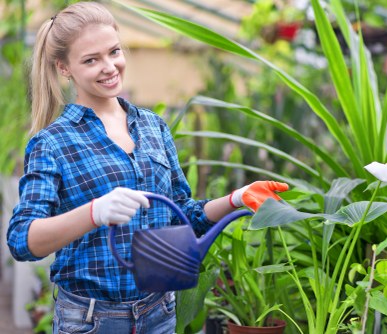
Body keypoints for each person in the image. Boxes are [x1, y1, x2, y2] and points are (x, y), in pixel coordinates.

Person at [6, 2, 288, 333]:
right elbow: (22, 240)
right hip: (92, 320)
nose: (109, 66)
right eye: (91, 60)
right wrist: (95, 212)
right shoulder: (52, 143)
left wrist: (236, 198)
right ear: (64, 68)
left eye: (114, 51)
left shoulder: (153, 127)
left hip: (159, 313)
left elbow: (182, 216)